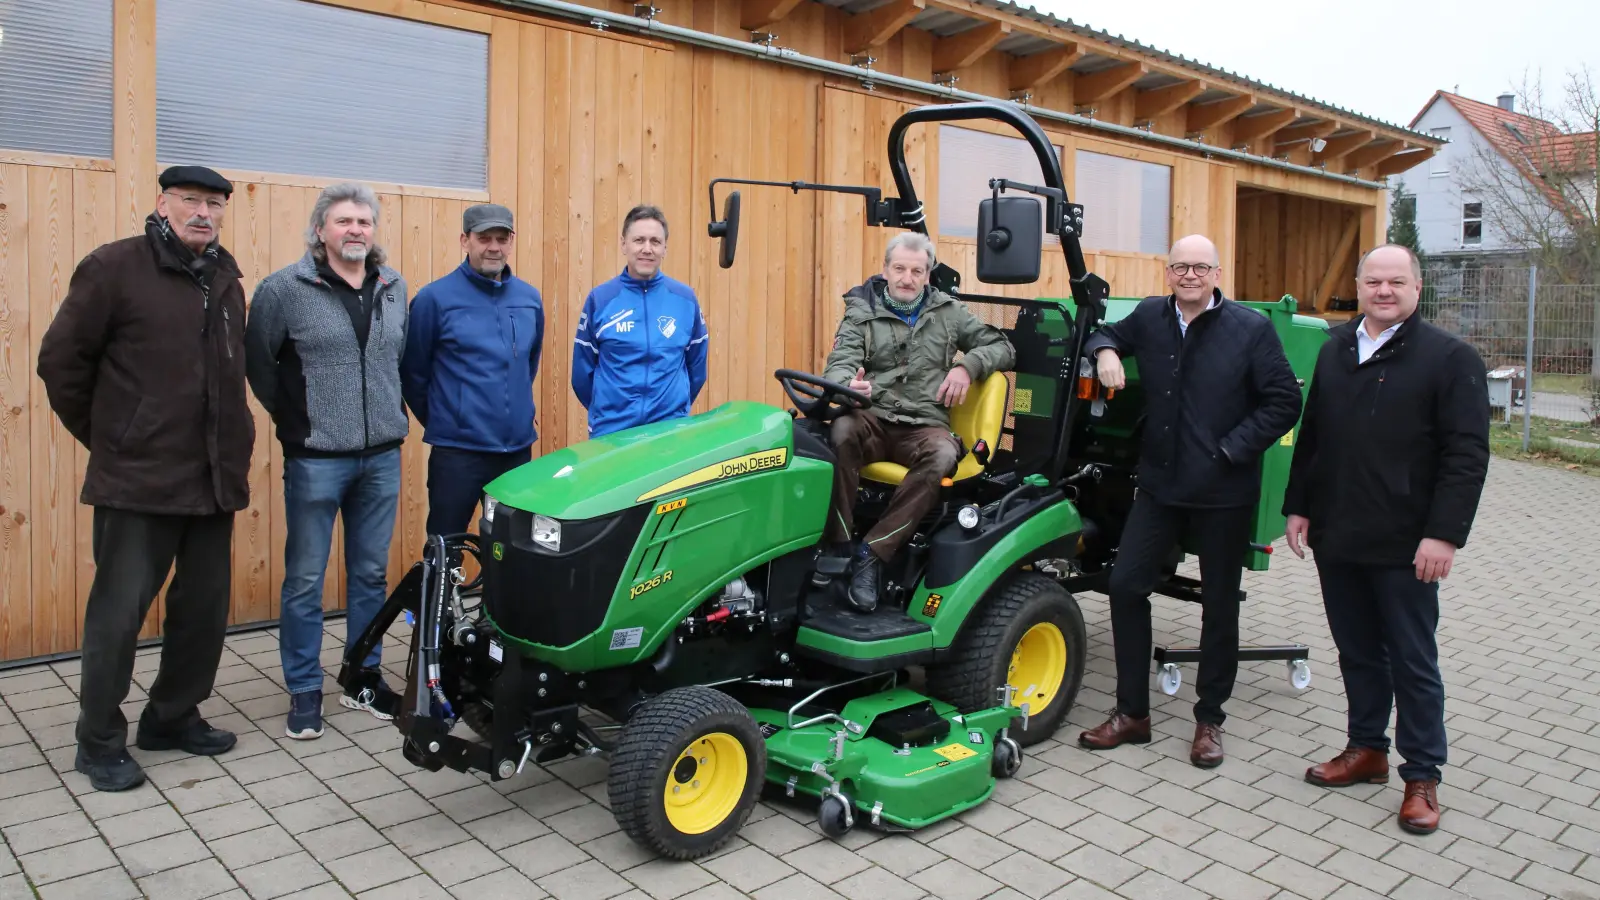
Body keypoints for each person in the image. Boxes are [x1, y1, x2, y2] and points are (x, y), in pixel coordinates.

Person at [36, 165, 254, 792]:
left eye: (214, 204)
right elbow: (61, 364)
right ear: (163, 202)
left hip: (213, 479)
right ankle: (98, 740)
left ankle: (172, 717)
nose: (203, 213)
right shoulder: (114, 268)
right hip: (139, 480)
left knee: (203, 610)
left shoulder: (225, 280)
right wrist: (116, 438)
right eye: (191, 200)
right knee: (119, 613)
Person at [1284, 243, 1490, 835]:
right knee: (1356, 650)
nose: (1384, 291)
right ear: (1359, 286)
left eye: (1396, 282)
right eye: (1374, 281)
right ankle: (1366, 749)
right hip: (1339, 533)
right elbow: (1313, 435)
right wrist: (1297, 508)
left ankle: (1421, 775)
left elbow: (1466, 456)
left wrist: (1444, 536)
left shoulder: (1450, 359)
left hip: (1407, 543)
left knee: (1412, 659)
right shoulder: (1335, 349)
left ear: (1416, 288)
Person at [1076, 234, 1303, 768]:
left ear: (1217, 273)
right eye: (1181, 267)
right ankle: (1132, 714)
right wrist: (1105, 350)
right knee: (1127, 585)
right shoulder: (1152, 316)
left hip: (1224, 493)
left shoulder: (1250, 329)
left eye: (1201, 267)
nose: (1191, 275)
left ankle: (1210, 720)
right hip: (1159, 487)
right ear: (1168, 272)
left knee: (1219, 606)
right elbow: (1102, 331)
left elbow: (1284, 401)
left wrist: (1230, 451)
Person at [244, 182, 410, 741]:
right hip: (316, 461)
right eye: (344, 221)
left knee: (369, 575)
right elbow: (261, 367)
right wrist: (297, 421)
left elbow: (397, 362)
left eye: (364, 221)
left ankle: (362, 677)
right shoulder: (283, 290)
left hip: (382, 458)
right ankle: (303, 688)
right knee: (305, 579)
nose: (356, 230)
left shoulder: (393, 287)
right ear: (320, 229)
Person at [819, 232, 1015, 613]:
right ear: (885, 270)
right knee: (839, 431)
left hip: (924, 424)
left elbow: (1003, 346)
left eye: (916, 271)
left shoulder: (949, 313)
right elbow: (841, 361)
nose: (907, 278)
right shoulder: (861, 311)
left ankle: (871, 555)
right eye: (900, 269)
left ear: (928, 275)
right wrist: (848, 385)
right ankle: (838, 545)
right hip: (873, 417)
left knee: (943, 455)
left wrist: (967, 366)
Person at [401, 203, 544, 537]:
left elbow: (527, 365)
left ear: (511, 241)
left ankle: (501, 594)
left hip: (516, 453)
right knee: (444, 543)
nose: (493, 247)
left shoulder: (529, 299)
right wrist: (452, 420)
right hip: (458, 455)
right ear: (465, 241)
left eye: (501, 238)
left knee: (512, 548)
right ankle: (439, 592)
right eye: (484, 238)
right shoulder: (434, 300)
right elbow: (413, 374)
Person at [572, 205, 708, 438]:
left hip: (669, 433)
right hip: (612, 433)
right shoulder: (601, 299)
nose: (647, 249)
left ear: (665, 247)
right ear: (624, 244)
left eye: (655, 241)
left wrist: (673, 408)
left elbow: (697, 367)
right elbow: (582, 374)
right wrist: (610, 411)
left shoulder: (685, 300)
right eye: (639, 240)